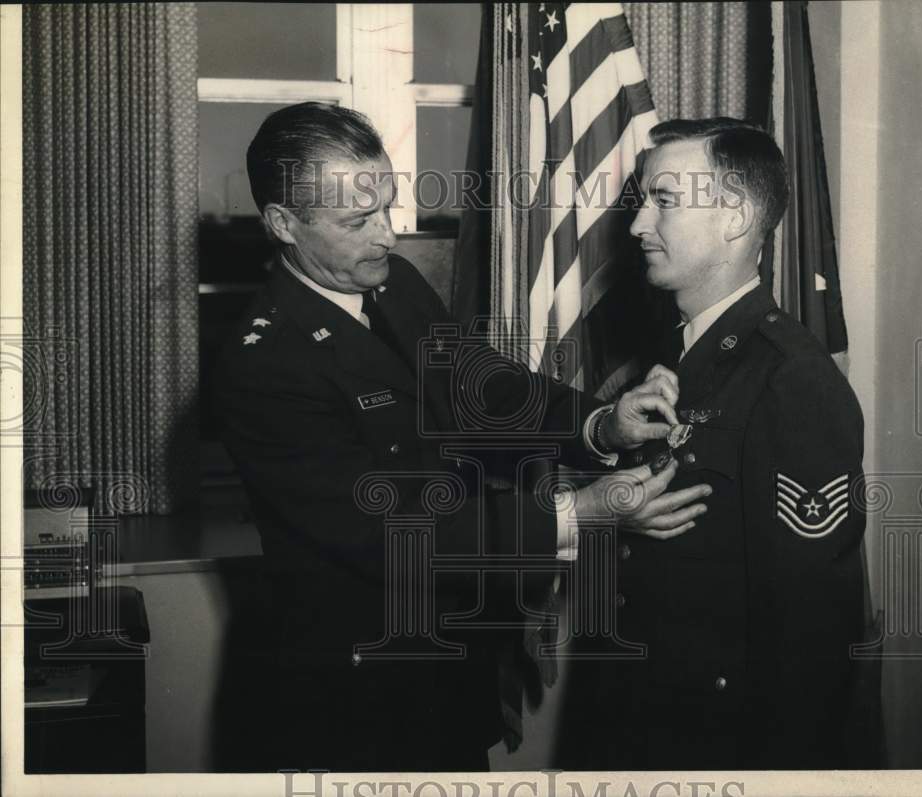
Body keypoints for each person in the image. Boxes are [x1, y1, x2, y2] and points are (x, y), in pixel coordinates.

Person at [213, 102, 710, 772]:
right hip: (353, 699)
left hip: (447, 669)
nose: (386, 237)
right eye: (357, 221)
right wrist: (581, 513)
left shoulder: (394, 286)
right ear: (283, 223)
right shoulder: (264, 363)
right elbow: (391, 526)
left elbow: (486, 389)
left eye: (386, 208)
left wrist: (598, 423)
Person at [557, 118, 868, 770]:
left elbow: (811, 640)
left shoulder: (791, 379)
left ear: (734, 217)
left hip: (722, 747)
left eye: (664, 200)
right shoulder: (676, 356)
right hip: (637, 724)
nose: (640, 225)